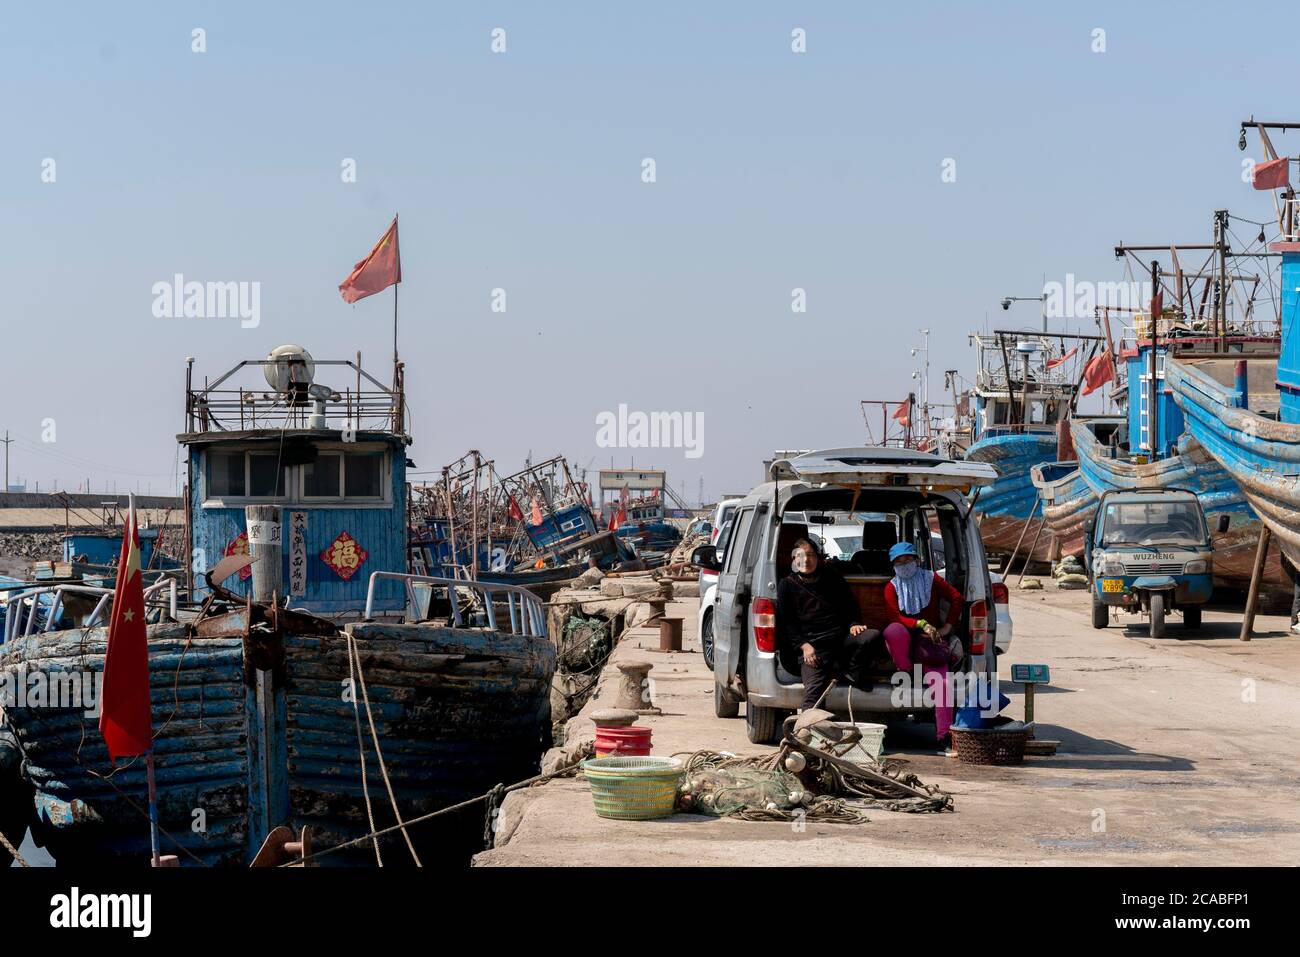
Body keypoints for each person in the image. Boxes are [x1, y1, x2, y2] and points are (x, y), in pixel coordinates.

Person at [776, 539, 877, 711]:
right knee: (814, 694)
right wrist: (804, 646)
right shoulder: (787, 585)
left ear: (818, 558)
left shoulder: (831, 577)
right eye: (800, 555)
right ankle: (807, 731)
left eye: (810, 555)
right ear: (794, 559)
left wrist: (854, 623)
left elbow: (849, 604)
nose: (806, 560)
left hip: (839, 640)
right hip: (813, 648)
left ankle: (851, 672)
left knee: (870, 636)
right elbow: (787, 623)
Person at [881, 541, 965, 745]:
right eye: (899, 561)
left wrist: (947, 627)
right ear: (893, 565)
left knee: (943, 685)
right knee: (893, 631)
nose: (905, 564)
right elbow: (895, 617)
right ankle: (907, 672)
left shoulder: (931, 578)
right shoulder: (891, 587)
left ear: (917, 560)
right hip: (905, 638)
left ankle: (944, 734)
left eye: (908, 559)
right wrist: (920, 623)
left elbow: (957, 598)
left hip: (930, 641)